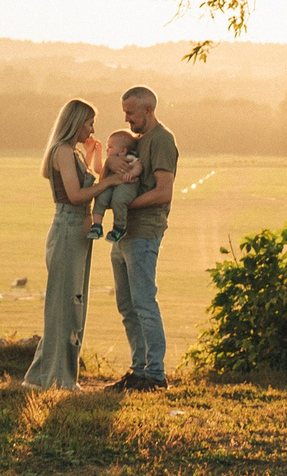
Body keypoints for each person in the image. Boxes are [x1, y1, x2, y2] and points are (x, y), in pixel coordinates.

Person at [23, 98, 135, 390]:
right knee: (64, 306)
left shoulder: (74, 153)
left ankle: (42, 377)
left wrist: (96, 161)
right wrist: (110, 183)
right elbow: (75, 195)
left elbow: (86, 186)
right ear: (76, 122)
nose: (93, 128)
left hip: (78, 231)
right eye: (89, 123)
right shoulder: (61, 151)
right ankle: (58, 379)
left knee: (70, 304)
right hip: (68, 228)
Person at [107, 85, 179, 391]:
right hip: (124, 233)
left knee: (144, 302)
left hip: (144, 232)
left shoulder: (162, 141)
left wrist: (122, 205)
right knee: (127, 305)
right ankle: (137, 371)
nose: (126, 119)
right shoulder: (138, 141)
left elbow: (163, 192)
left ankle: (156, 375)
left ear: (147, 110)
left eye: (130, 113)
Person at [87, 130, 143, 242]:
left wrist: (131, 174)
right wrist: (97, 152)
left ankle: (119, 226)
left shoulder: (129, 158)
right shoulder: (111, 161)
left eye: (110, 147)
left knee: (119, 199)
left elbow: (138, 166)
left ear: (123, 151)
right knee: (101, 197)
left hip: (126, 184)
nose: (107, 149)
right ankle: (97, 225)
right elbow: (99, 169)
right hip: (112, 184)